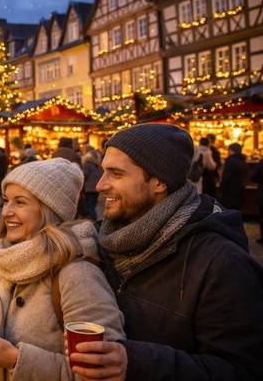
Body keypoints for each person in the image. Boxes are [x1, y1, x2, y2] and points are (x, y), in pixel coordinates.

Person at [73, 123, 263, 380]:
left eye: (116, 174)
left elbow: (241, 370)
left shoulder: (221, 262)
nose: (100, 185)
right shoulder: (101, 242)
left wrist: (136, 363)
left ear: (160, 181)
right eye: (103, 171)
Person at [0, 158, 124, 380]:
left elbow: (102, 371)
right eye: (6, 201)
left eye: (20, 202)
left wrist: (16, 359)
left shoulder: (77, 274)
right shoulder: (3, 261)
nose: (5, 212)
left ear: (48, 210)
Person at [219, 143, 246, 211]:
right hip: (239, 190)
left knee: (228, 212)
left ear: (230, 150)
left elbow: (226, 177)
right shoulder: (243, 161)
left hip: (230, 192)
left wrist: (221, 189)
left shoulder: (230, 161)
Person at [81, 144, 103, 220]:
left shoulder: (87, 164)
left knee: (90, 206)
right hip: (96, 188)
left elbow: (84, 175)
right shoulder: (98, 164)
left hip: (89, 188)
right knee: (93, 205)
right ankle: (94, 218)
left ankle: (93, 220)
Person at [205, 133, 222, 197]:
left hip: (205, 176)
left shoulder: (200, 150)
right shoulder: (215, 151)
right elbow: (218, 166)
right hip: (212, 177)